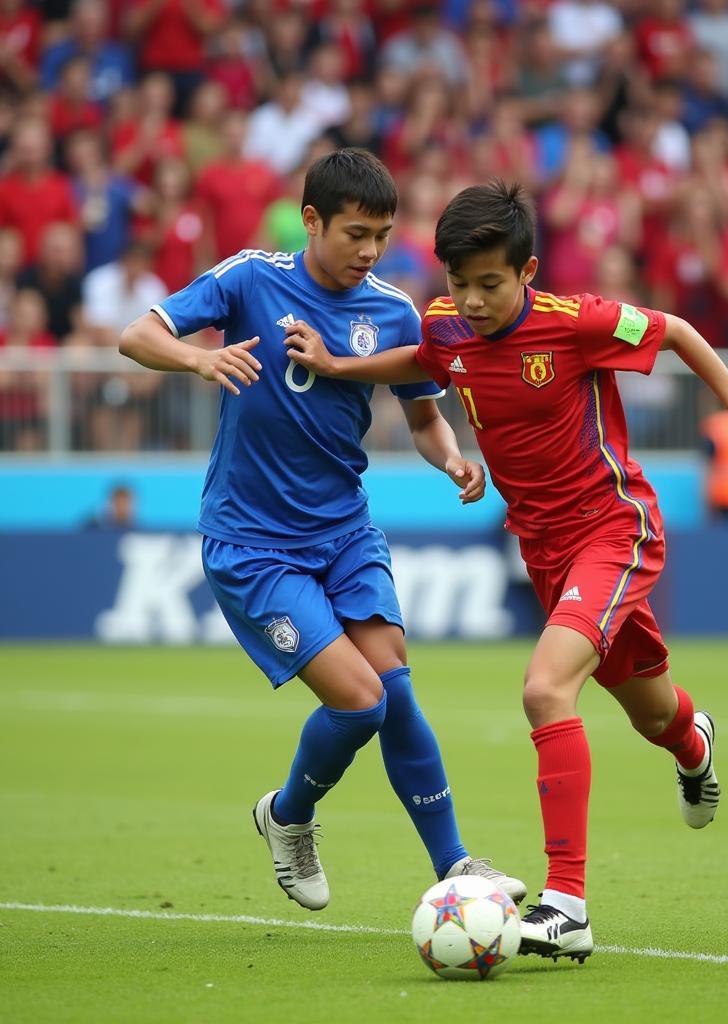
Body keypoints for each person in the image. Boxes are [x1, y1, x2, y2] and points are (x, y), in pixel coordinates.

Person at [281, 180, 728, 961]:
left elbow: (679, 331)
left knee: (545, 689)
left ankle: (568, 904)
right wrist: (340, 368)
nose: (473, 301)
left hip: (616, 528)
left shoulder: (575, 322)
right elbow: (423, 357)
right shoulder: (448, 327)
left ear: (528, 271)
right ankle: (695, 744)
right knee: (652, 712)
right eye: (459, 283)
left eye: (490, 283)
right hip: (545, 548)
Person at [118, 149, 524, 912]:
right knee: (360, 702)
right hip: (253, 544)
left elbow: (425, 418)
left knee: (394, 690)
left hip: (343, 533)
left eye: (381, 235)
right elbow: (136, 335)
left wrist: (452, 461)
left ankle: (457, 864)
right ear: (312, 221)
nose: (369, 251)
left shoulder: (393, 312)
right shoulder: (250, 278)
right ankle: (289, 816)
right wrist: (197, 363)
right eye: (355, 234)